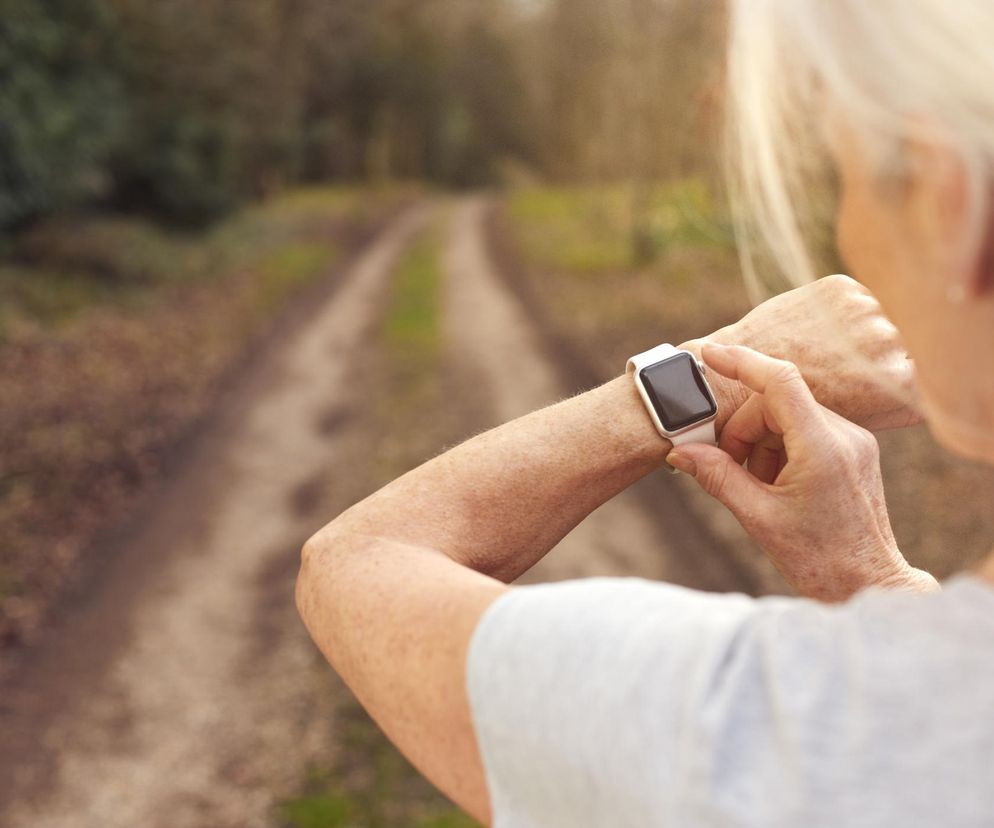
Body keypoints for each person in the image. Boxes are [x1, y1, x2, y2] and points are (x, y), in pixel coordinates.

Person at [296, 1, 994, 825]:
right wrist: (870, 581)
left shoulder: (750, 733)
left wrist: (710, 371)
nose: (845, 233)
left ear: (946, 202)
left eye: (843, 177)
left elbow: (353, 561)